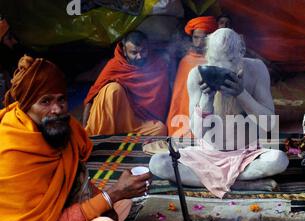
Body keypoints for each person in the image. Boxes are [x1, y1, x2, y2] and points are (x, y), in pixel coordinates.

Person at [0, 56, 152, 221]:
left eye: (61, 100)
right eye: (45, 101)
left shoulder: (63, 128)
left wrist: (111, 198)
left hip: (57, 216)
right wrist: (111, 195)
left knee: (124, 205)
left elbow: (77, 178)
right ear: (26, 106)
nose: (57, 109)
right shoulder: (12, 151)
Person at [151, 28, 289, 198]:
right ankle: (239, 183)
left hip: (247, 155)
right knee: (158, 164)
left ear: (241, 53)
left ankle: (215, 181)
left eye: (229, 60)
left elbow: (269, 123)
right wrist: (206, 99)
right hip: (207, 156)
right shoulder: (196, 74)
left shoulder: (257, 69)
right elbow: (197, 131)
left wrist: (241, 93)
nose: (221, 66)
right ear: (208, 55)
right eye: (215, 60)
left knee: (278, 160)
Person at [83, 31, 170, 136]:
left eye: (143, 51)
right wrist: (84, 130)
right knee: (113, 89)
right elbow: (91, 96)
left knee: (160, 130)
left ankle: (120, 137)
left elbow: (163, 100)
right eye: (134, 53)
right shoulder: (115, 65)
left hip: (136, 122)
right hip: (112, 119)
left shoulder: (157, 64)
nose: (140, 57)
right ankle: (105, 136)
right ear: (124, 51)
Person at [166, 16, 218, 137]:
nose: (199, 42)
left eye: (204, 38)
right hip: (185, 116)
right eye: (196, 38)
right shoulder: (186, 61)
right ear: (192, 38)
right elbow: (179, 98)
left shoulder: (215, 61)